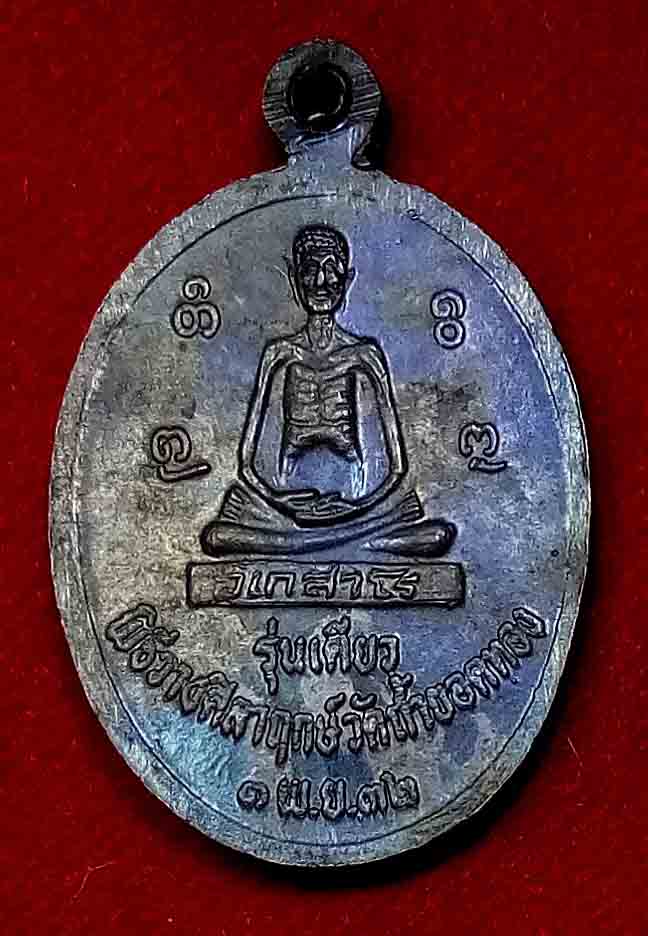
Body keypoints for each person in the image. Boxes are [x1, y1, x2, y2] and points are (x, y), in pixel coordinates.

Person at [201, 224, 455, 558]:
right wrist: (281, 500)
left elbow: (397, 468)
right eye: (311, 270)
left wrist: (357, 507)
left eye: (332, 270)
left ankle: (314, 545)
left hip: (361, 508)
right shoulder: (280, 354)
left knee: (438, 535)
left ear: (347, 280)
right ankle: (351, 546)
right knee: (215, 536)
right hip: (283, 509)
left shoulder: (364, 355)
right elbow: (246, 464)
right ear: (294, 277)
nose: (321, 283)